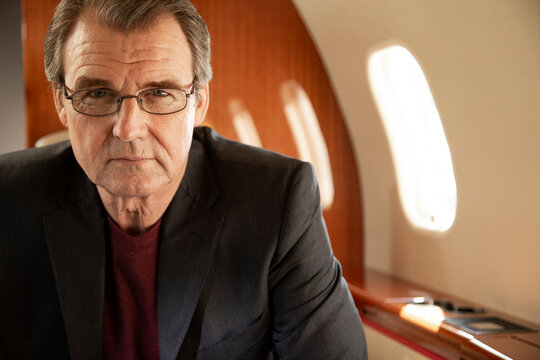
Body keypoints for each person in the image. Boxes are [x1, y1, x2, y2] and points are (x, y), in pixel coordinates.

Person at [0, 0, 367, 358]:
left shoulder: (278, 200)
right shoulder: (7, 199)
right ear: (61, 102)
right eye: (97, 93)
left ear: (199, 102)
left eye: (160, 93)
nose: (129, 129)